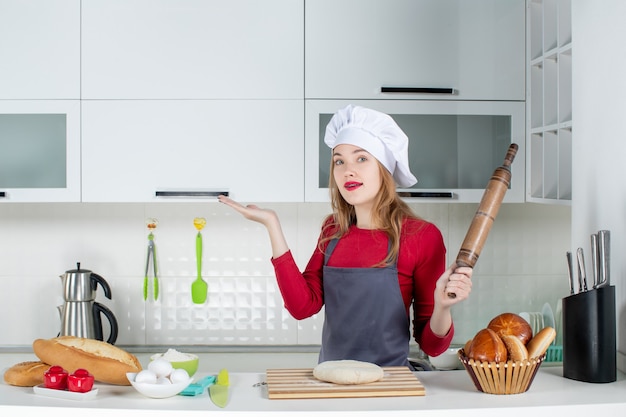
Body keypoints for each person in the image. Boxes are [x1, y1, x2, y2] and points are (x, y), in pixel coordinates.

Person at [218, 104, 472, 368]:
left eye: (361, 158)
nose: (347, 170)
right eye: (339, 161)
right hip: (331, 381)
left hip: (391, 386)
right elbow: (302, 306)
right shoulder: (333, 230)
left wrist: (443, 307)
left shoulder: (421, 236)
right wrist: (272, 224)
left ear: (384, 168)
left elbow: (432, 345)